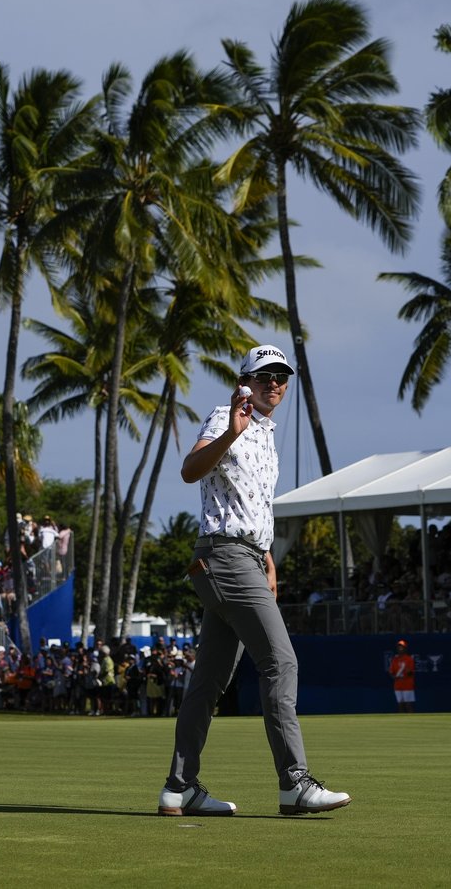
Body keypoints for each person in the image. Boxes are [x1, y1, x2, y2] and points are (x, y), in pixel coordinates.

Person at [159, 344, 350, 818]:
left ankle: (179, 788)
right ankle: (295, 784)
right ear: (245, 379)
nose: (275, 383)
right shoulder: (226, 417)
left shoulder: (265, 434)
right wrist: (230, 433)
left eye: (282, 376)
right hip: (224, 557)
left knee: (210, 682)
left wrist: (267, 557)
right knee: (280, 661)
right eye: (265, 375)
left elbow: (250, 504)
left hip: (241, 557)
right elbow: (190, 470)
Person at [388, 639, 416, 713]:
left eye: (402, 647)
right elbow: (391, 672)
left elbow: (411, 672)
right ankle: (402, 722)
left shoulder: (409, 659)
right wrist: (394, 677)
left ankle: (412, 721)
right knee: (400, 705)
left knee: (408, 705)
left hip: (407, 685)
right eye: (399, 647)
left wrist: (406, 671)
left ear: (405, 649)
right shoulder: (395, 660)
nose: (400, 648)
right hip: (398, 685)